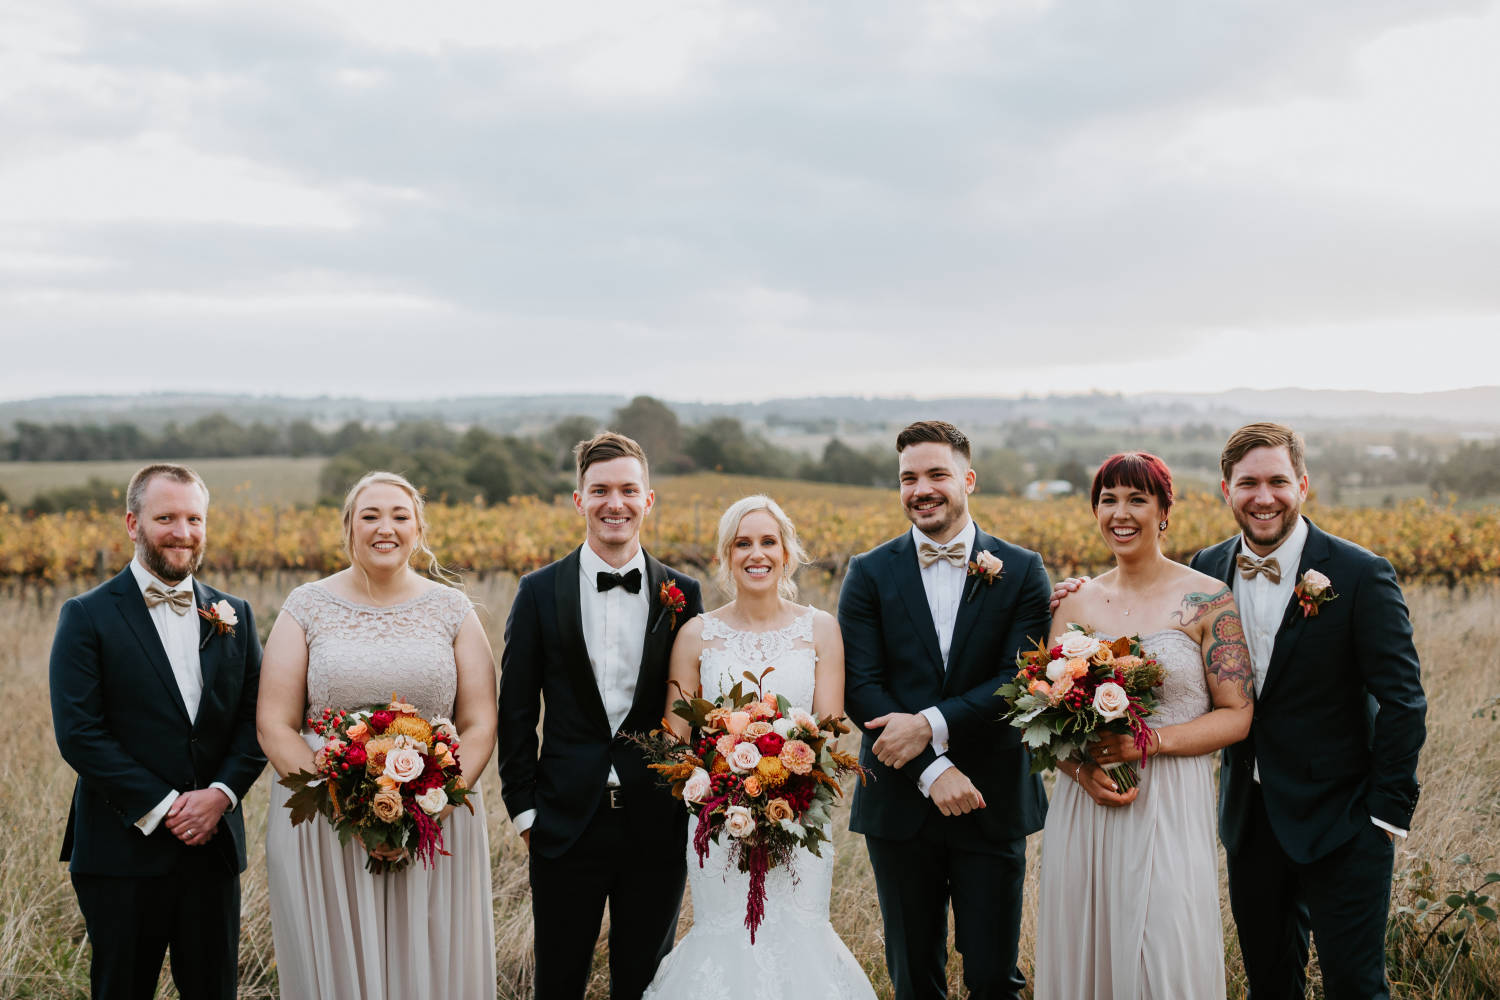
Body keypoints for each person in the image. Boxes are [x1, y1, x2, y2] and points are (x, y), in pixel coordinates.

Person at [1192, 423, 1425, 999]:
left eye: (1277, 481)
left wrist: (1384, 816)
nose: (1263, 497)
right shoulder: (1206, 567)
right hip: (1249, 818)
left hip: (1344, 820)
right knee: (1271, 986)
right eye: (1248, 483)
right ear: (1227, 490)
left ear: (1302, 485)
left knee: (1355, 987)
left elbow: (1403, 699)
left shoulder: (1360, 573)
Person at [257, 471, 497, 999]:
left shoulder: (453, 610)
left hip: (437, 817)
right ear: (348, 528)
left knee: (429, 961)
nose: (384, 528)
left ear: (418, 529)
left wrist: (434, 805)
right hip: (325, 820)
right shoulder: (306, 606)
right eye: (369, 516)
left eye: (399, 516)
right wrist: (344, 803)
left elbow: (481, 722)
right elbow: (275, 722)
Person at [837, 420, 1051, 1000]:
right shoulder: (869, 572)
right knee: (913, 978)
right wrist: (933, 769)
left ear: (969, 479)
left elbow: (1020, 681)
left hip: (993, 798)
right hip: (900, 803)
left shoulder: (1023, 569)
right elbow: (862, 685)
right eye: (909, 478)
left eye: (936, 474)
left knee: (992, 977)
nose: (921, 489)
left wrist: (931, 723)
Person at [1034, 452, 1253, 999]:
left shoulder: (1207, 599)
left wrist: (1150, 740)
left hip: (1171, 801)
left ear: (1163, 511)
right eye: (1108, 499)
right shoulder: (1074, 601)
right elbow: (1044, 715)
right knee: (1090, 949)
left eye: (1137, 499)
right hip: (1087, 803)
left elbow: (1238, 714)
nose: (1121, 513)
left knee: (1163, 952)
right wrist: (1080, 772)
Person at [643, 495, 877, 998]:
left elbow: (829, 730)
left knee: (798, 935)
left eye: (768, 541)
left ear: (787, 552)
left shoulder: (820, 630)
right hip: (719, 819)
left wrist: (784, 783)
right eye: (742, 543)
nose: (757, 554)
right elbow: (675, 743)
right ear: (727, 555)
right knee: (725, 939)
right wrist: (724, 789)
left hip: (797, 814)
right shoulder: (696, 635)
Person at [498, 431, 705, 1000]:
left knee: (643, 981)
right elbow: (515, 709)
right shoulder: (538, 591)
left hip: (656, 823)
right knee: (558, 979)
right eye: (600, 490)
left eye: (628, 490)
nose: (615, 503)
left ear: (649, 499)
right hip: (563, 822)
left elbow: (695, 710)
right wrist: (524, 810)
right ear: (579, 500)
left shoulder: (683, 593)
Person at [49, 463, 266, 1000]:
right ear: (132, 523)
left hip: (211, 850)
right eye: (165, 517)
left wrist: (220, 796)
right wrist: (167, 805)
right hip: (121, 849)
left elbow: (255, 720)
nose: (183, 532)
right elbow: (80, 732)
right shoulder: (86, 615)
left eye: (195, 518)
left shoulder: (233, 613)